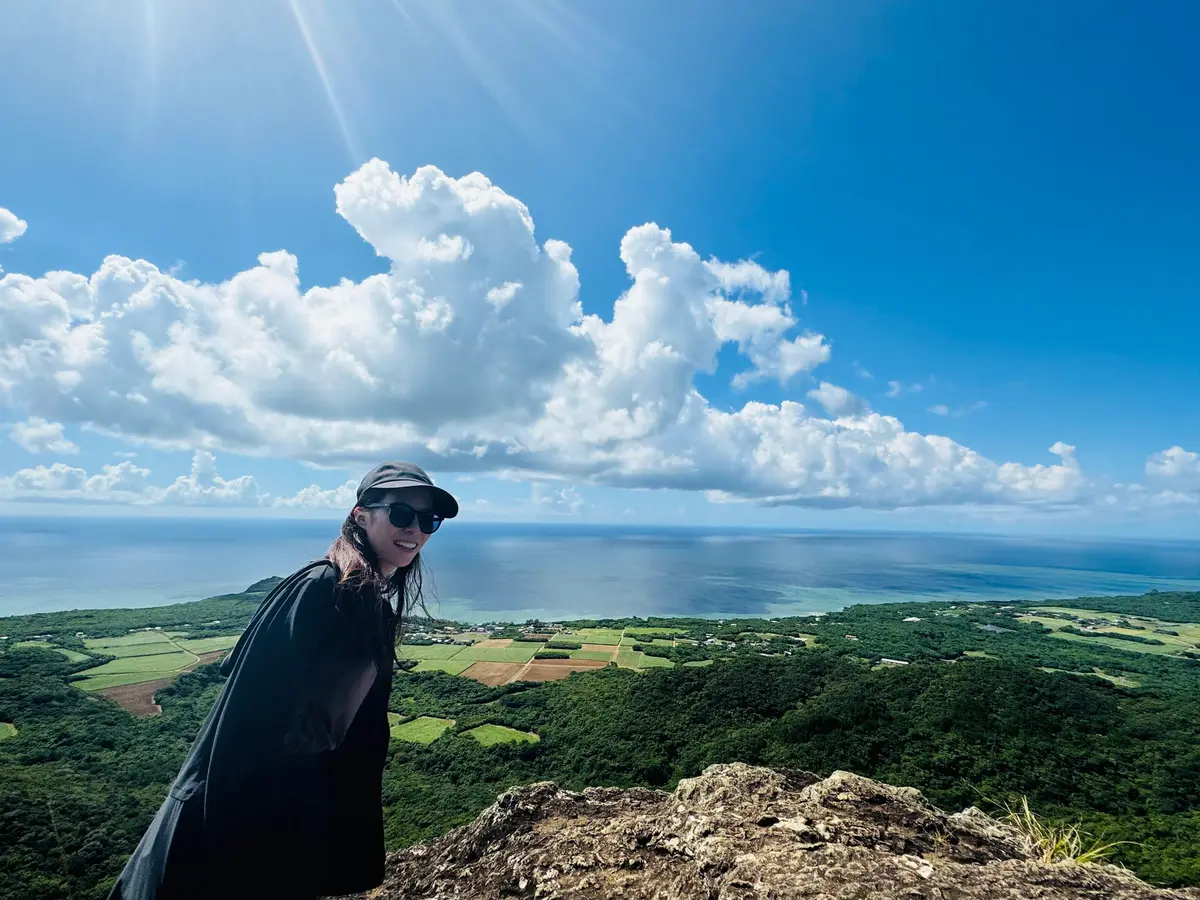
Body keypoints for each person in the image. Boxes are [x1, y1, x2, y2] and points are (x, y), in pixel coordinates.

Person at [108, 462, 458, 900]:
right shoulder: (323, 590)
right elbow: (249, 717)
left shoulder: (363, 603)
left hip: (275, 830)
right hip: (227, 832)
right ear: (360, 514)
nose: (417, 530)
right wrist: (243, 851)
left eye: (429, 520)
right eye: (402, 513)